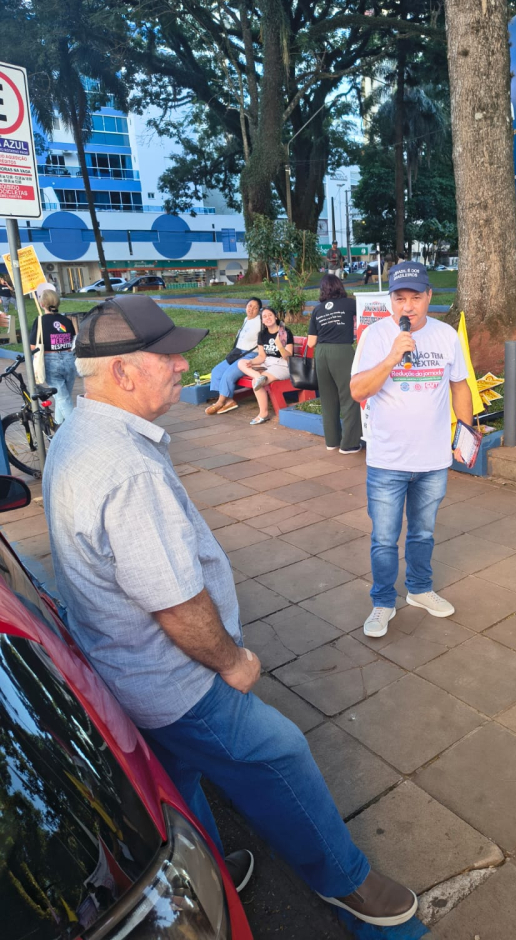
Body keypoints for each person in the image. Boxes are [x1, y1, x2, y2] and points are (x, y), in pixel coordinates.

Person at [42, 294, 418, 928]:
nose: (183, 366)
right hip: (173, 681)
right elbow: (176, 605)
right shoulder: (126, 469)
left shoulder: (78, 431)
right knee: (280, 753)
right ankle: (344, 880)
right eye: (168, 356)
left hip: (120, 667)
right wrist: (233, 661)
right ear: (122, 372)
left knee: (177, 785)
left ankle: (206, 874)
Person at [350, 261, 473, 638]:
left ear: (429, 297)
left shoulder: (445, 335)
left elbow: (460, 385)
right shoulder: (375, 336)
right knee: (384, 539)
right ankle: (383, 601)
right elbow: (358, 390)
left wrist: (466, 432)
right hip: (387, 461)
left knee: (423, 533)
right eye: (400, 298)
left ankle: (419, 589)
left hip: (433, 461)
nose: (408, 306)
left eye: (415, 297)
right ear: (390, 300)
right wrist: (391, 357)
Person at [307, 274, 361, 454]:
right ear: (340, 286)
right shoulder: (349, 304)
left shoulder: (317, 310)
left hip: (321, 353)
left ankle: (332, 441)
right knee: (350, 397)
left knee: (328, 399)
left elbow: (311, 342)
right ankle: (349, 444)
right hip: (341, 351)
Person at [205, 297, 262, 415]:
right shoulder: (246, 319)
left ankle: (220, 402)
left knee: (228, 375)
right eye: (250, 306)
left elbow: (275, 325)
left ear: (259, 311)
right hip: (238, 353)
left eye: (255, 308)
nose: (251, 309)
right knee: (216, 371)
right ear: (246, 306)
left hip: (250, 356)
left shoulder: (260, 321)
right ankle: (229, 401)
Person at [235, 306, 292, 425]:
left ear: (275, 317)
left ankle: (263, 413)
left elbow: (288, 356)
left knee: (256, 383)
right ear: (262, 321)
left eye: (270, 315)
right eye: (264, 316)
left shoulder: (284, 332)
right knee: (241, 363)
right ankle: (258, 376)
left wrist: (279, 345)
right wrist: (251, 362)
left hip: (283, 365)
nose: (267, 318)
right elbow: (262, 356)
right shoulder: (262, 334)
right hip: (267, 362)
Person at [29, 290, 77, 424]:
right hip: (70, 360)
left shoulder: (39, 321)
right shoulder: (66, 321)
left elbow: (32, 347)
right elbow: (73, 341)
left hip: (51, 362)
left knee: (62, 399)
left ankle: (76, 429)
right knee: (63, 398)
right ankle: (58, 428)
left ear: (42, 304)